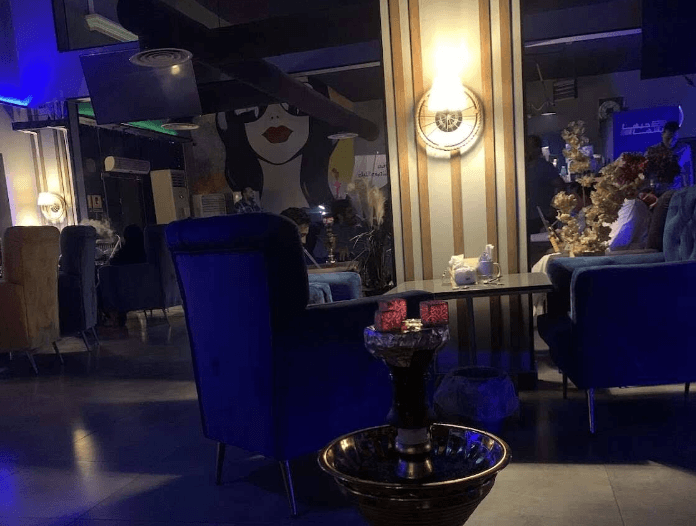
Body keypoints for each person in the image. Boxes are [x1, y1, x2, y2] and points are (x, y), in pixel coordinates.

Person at [525, 135, 565, 234]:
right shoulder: (522, 167)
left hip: (544, 215)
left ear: (537, 149)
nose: (528, 150)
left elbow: (560, 185)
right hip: (526, 215)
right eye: (526, 147)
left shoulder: (545, 167)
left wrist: (554, 207)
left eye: (531, 147)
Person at [645, 121, 693, 189]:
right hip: (657, 189)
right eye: (668, 138)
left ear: (678, 137)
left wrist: (689, 190)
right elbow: (647, 174)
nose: (670, 142)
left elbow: (688, 172)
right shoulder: (652, 151)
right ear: (663, 135)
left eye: (674, 138)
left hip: (676, 190)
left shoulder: (684, 149)